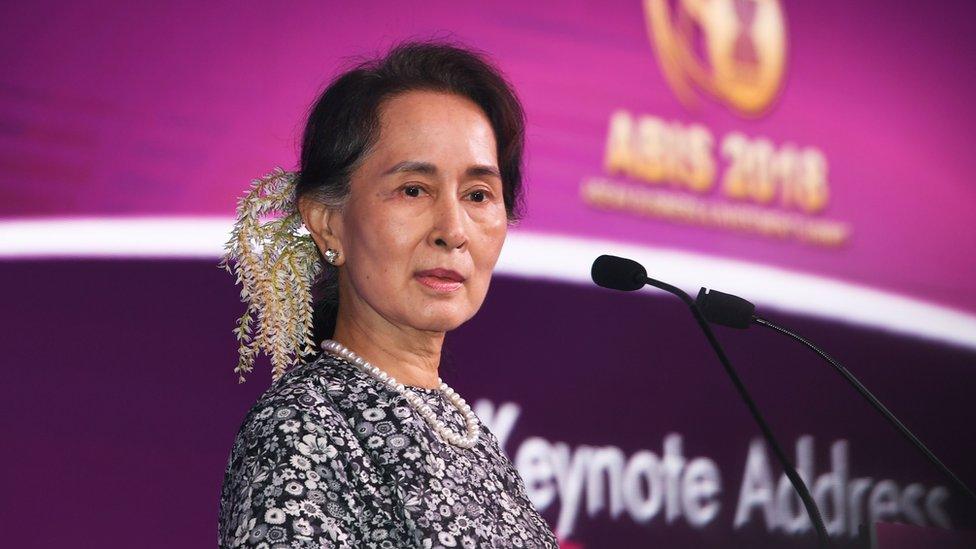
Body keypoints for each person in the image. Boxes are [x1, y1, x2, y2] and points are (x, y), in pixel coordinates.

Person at [216, 40, 559, 548]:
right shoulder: (303, 427)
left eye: (478, 195)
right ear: (328, 223)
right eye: (414, 190)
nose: (452, 229)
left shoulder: (466, 432)